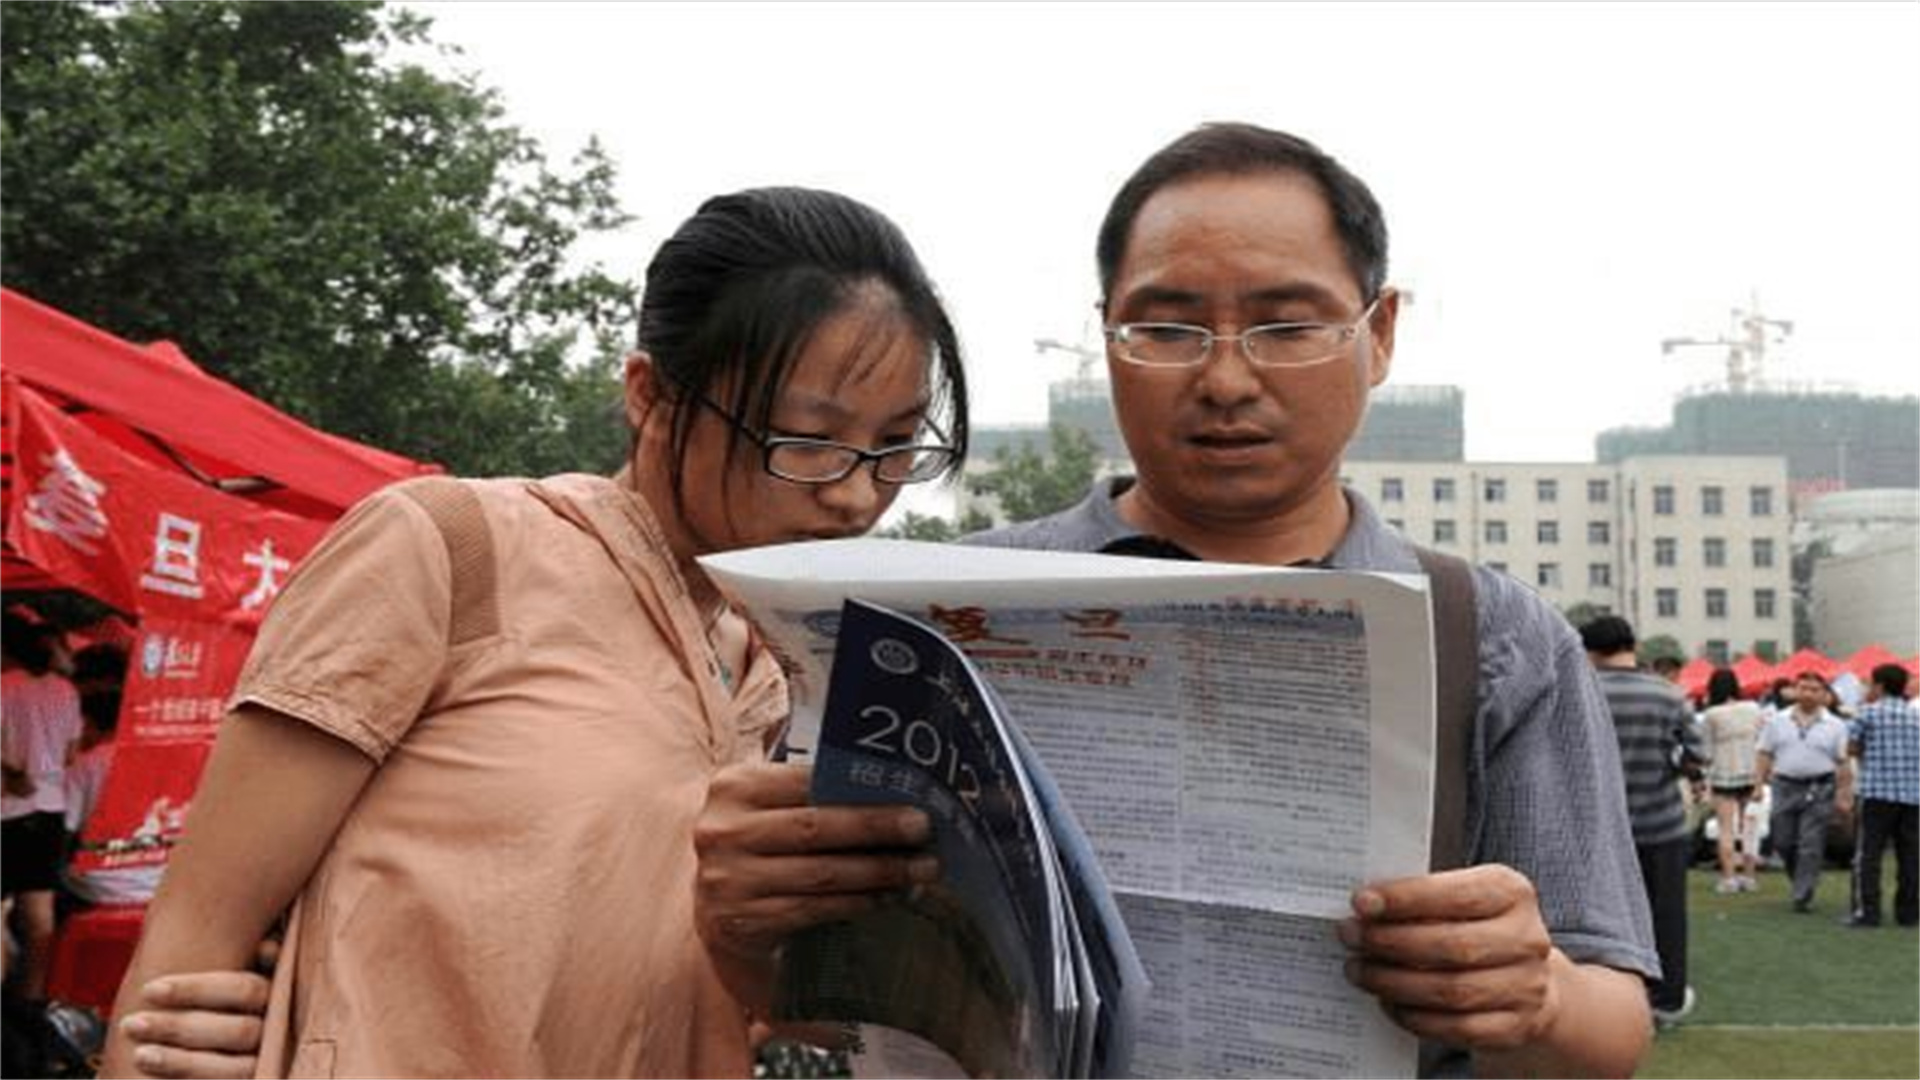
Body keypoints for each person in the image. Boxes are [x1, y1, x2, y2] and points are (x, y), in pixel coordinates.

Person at [697, 122, 1658, 1079]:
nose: (1226, 380)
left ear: (1380, 334)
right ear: (1107, 333)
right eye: (1166, 329)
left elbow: (1610, 1031)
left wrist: (1538, 993)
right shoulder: (938, 617)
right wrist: (743, 920)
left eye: (1287, 327)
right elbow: (815, 1011)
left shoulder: (1493, 638)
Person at [99, 185, 968, 1079]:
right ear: (651, 396)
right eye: (808, 438)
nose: (856, 494)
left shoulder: (779, 670)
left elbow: (791, 1009)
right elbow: (193, 942)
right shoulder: (453, 552)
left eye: (896, 446)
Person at [1581, 616, 1705, 1029]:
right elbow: (1698, 755)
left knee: (1596, 919)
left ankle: (1603, 1001)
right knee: (1666, 917)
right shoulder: (1668, 694)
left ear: (1590, 651)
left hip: (1597, 828)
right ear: (1632, 646)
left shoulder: (1582, 691)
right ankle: (1665, 1001)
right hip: (1660, 824)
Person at [1755, 671, 1852, 914]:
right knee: (1783, 841)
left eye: (1814, 689)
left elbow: (1843, 762)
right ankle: (1802, 877)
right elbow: (1764, 753)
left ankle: (1802, 894)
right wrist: (1757, 784)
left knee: (1811, 843)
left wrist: (1844, 793)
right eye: (1803, 688)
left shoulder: (1836, 725)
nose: (1808, 693)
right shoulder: (1777, 720)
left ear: (1824, 694)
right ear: (1794, 691)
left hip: (1820, 787)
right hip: (1784, 785)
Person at [1843, 663, 1919, 928]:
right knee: (1910, 855)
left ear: (1880, 686)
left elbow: (1851, 748)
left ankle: (1868, 912)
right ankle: (1908, 913)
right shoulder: (1916, 716)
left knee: (1868, 855)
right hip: (1913, 794)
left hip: (1876, 793)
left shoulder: (1867, 713)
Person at [1700, 666, 1767, 894]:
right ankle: (1749, 877)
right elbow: (1762, 741)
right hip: (1751, 773)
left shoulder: (1712, 714)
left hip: (1723, 774)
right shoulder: (1754, 708)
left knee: (1726, 829)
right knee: (1750, 828)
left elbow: (1706, 752)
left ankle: (1729, 878)